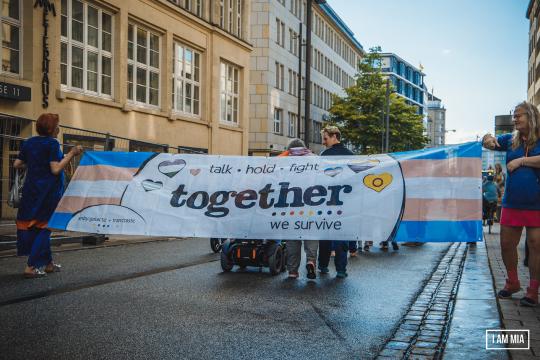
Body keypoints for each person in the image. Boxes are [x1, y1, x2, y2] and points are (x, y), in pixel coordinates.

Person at [482, 101, 540, 306]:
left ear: (531, 116)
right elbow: (488, 140)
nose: (514, 119)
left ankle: (533, 291)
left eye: (518, 115)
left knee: (536, 246)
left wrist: (521, 161)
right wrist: (487, 139)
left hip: (537, 204)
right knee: (506, 245)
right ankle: (513, 282)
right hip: (513, 202)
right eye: (513, 115)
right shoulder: (511, 140)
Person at [14, 113, 83, 278]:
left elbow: (17, 164)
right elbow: (56, 169)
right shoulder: (52, 143)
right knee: (45, 228)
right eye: (58, 125)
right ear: (53, 129)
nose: (59, 128)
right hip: (48, 193)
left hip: (31, 191)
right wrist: (72, 153)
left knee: (36, 226)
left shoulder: (29, 142)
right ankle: (31, 267)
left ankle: (49, 264)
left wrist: (35, 161)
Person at [279, 139, 319, 280]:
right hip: (311, 205)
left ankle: (293, 271)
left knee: (292, 240)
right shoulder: (315, 159)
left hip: (291, 206)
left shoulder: (283, 161)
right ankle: (310, 261)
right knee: (311, 235)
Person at [317, 126, 354, 278]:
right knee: (342, 235)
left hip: (327, 200)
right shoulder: (351, 155)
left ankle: (323, 265)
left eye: (325, 138)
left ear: (334, 136)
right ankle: (341, 269)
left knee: (325, 233)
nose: (324, 142)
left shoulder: (325, 154)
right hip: (345, 201)